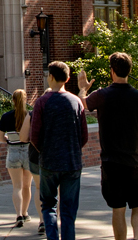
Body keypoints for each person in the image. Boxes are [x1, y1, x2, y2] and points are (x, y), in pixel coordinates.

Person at [84, 52, 138, 240]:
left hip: (111, 163)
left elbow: (81, 105)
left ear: (112, 71)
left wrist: (82, 88)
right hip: (136, 162)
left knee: (118, 209)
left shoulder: (101, 95)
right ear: (129, 70)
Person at [26, 61, 90, 240]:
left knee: (48, 206)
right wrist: (73, 150)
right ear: (68, 78)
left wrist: (44, 152)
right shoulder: (76, 102)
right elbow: (83, 135)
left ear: (50, 77)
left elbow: (34, 136)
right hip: (72, 162)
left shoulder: (42, 102)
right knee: (69, 210)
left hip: (49, 163)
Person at [0, 89, 39, 228]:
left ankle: (18, 215)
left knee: (17, 186)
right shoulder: (30, 115)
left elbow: (0, 138)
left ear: (13, 100)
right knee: (27, 186)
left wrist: (9, 139)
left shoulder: (6, 116)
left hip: (13, 152)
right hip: (28, 152)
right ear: (26, 99)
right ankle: (25, 213)